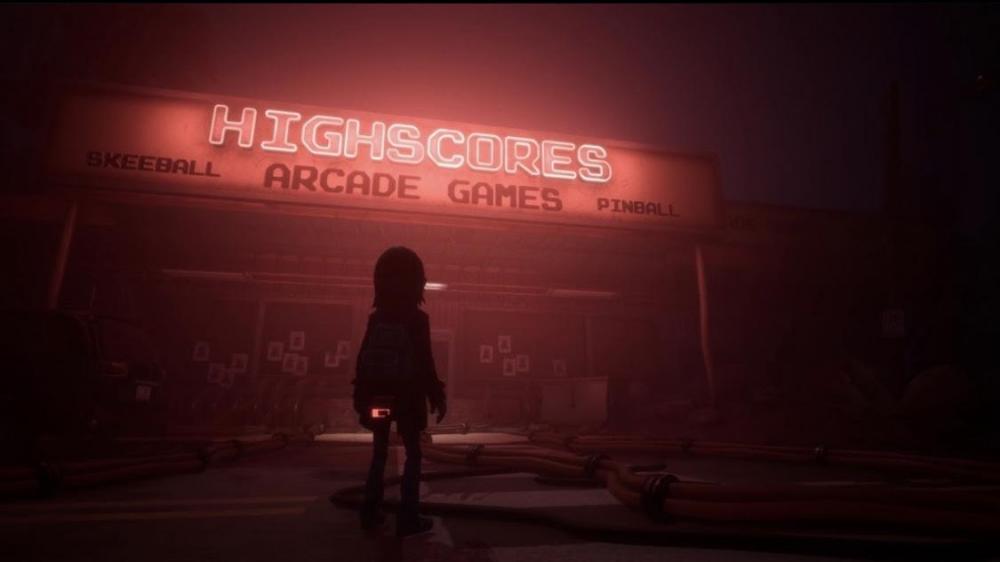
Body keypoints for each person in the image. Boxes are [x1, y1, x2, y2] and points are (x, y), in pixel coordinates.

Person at [353, 246, 447, 537]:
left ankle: (370, 512)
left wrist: (360, 397)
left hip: (378, 396)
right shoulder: (418, 319)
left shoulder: (376, 318)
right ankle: (408, 517)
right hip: (408, 398)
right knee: (413, 454)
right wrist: (437, 395)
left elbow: (363, 357)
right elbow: (425, 361)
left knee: (379, 453)